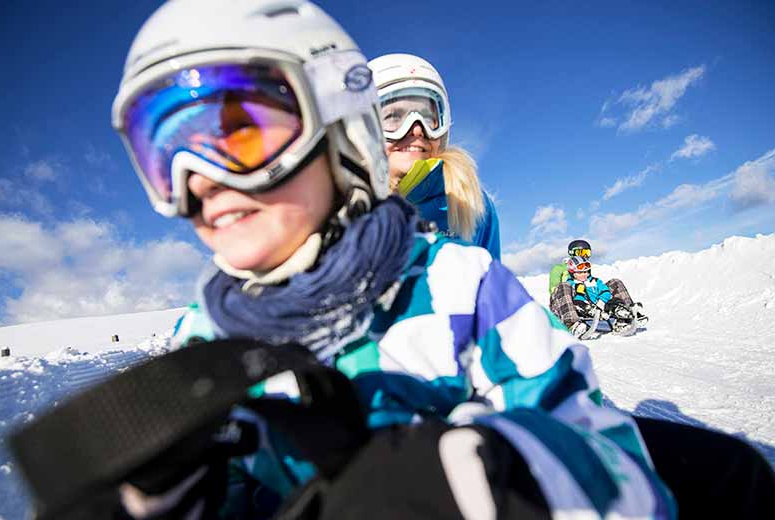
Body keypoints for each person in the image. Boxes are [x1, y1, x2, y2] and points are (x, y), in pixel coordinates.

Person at [104, 2, 775, 519]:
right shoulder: (199, 345)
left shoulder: (461, 274)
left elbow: (616, 467)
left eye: (243, 132)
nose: (200, 178)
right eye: (162, 153)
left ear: (338, 124)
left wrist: (494, 472)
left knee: (731, 474)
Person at [368, 53, 502, 259]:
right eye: (394, 117)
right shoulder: (340, 204)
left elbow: (491, 284)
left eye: (428, 117)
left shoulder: (469, 202)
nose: (417, 130)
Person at [550, 239, 647, 337]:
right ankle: (571, 324)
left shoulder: (585, 267)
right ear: (571, 252)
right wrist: (572, 290)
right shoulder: (559, 268)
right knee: (564, 285)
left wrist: (599, 297)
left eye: (587, 253)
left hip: (588, 299)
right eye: (581, 252)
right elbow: (554, 290)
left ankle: (629, 313)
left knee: (615, 282)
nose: (584, 255)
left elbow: (592, 285)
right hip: (564, 302)